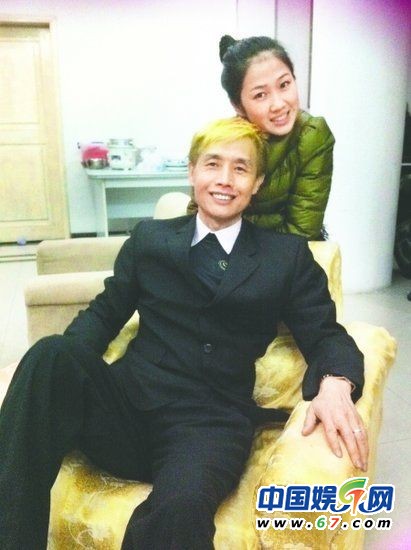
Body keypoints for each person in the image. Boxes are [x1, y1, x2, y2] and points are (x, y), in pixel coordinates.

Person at [0, 117, 367, 550]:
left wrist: (336, 381)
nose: (224, 179)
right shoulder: (150, 239)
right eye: (212, 164)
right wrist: (39, 379)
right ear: (192, 172)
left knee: (181, 510)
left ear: (257, 183)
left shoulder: (284, 256)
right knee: (49, 355)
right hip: (127, 409)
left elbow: (326, 334)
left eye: (240, 168)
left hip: (208, 427)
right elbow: (103, 314)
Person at [188, 35, 335, 240]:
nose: (279, 104)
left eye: (284, 84)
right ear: (238, 106)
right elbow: (198, 213)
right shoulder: (227, 138)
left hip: (283, 251)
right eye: (260, 95)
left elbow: (301, 232)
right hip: (225, 245)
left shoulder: (311, 135)